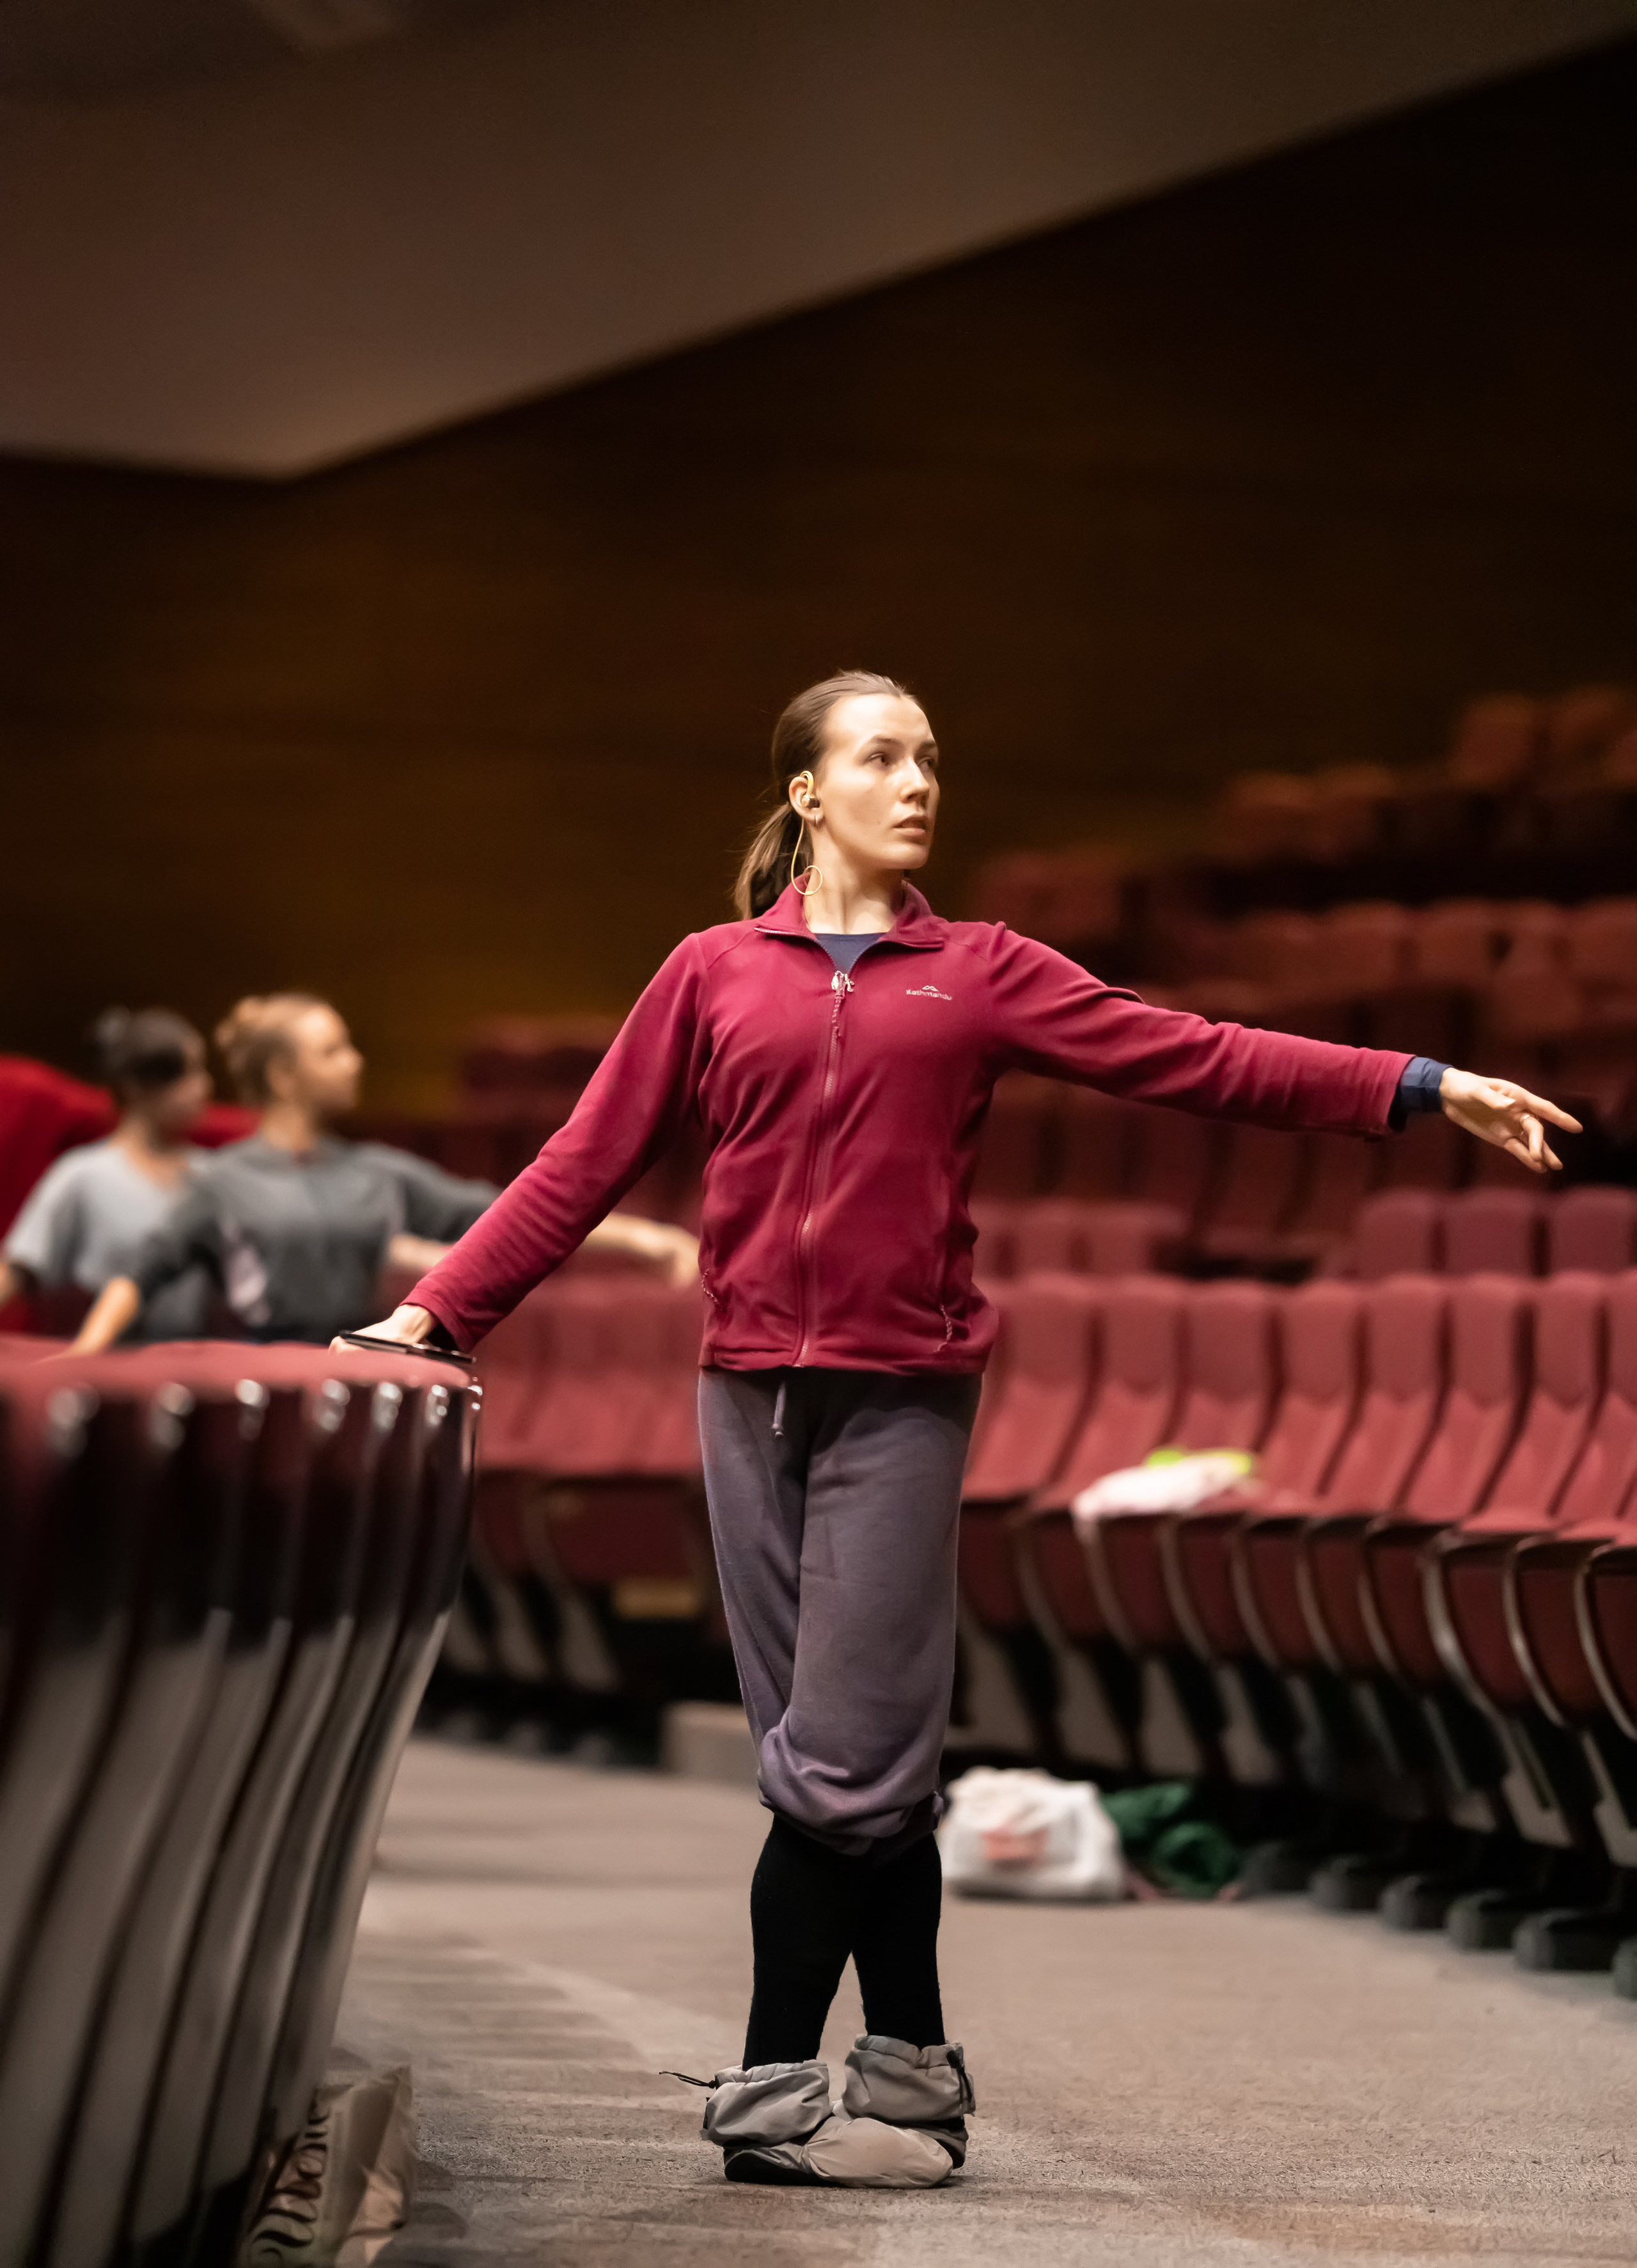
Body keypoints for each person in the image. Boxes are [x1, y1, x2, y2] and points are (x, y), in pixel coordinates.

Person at [343, 670, 1579, 2189]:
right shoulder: (713, 969)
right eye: (879, 756)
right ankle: (914, 2073)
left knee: (841, 1761)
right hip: (741, 1395)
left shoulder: (978, 970)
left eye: (927, 756)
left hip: (900, 1399)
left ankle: (769, 2097)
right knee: (830, 1754)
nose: (917, 779)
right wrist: (438, 1312)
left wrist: (1416, 1083)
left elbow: (1194, 1051)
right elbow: (580, 1160)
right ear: (807, 792)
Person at [72, 994, 696, 1351]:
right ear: (284, 1077)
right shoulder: (219, 1180)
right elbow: (141, 1275)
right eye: (332, 1051)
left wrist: (639, 1237)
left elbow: (508, 1216)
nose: (354, 1062)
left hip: (351, 1368)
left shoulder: (377, 1172)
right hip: (254, 1385)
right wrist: (83, 1358)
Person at [0, 1008, 219, 1341]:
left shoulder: (211, 1175)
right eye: (185, 1075)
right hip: (97, 1365)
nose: (203, 1087)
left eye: (202, 1071)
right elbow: (18, 1270)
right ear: (136, 1087)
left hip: (190, 1368)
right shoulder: (83, 1175)